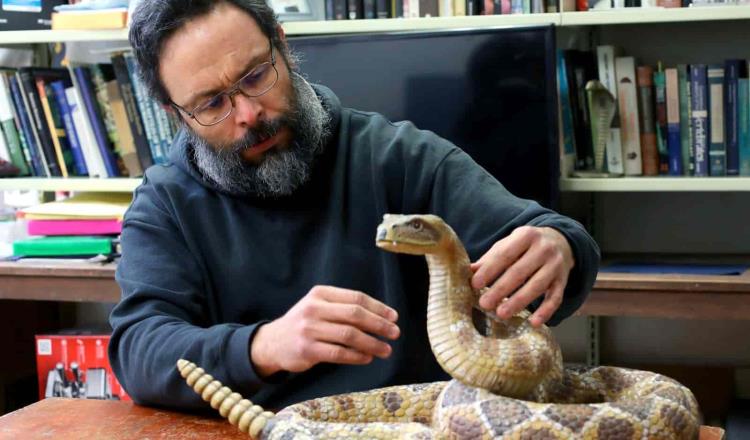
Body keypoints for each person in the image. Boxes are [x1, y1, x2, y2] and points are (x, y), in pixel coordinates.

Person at [109, 0, 600, 411]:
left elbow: (543, 232)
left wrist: (561, 247)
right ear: (176, 114)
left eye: (257, 75)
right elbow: (139, 351)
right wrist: (262, 346)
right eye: (212, 104)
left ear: (282, 44)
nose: (248, 114)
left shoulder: (399, 157)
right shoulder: (165, 205)